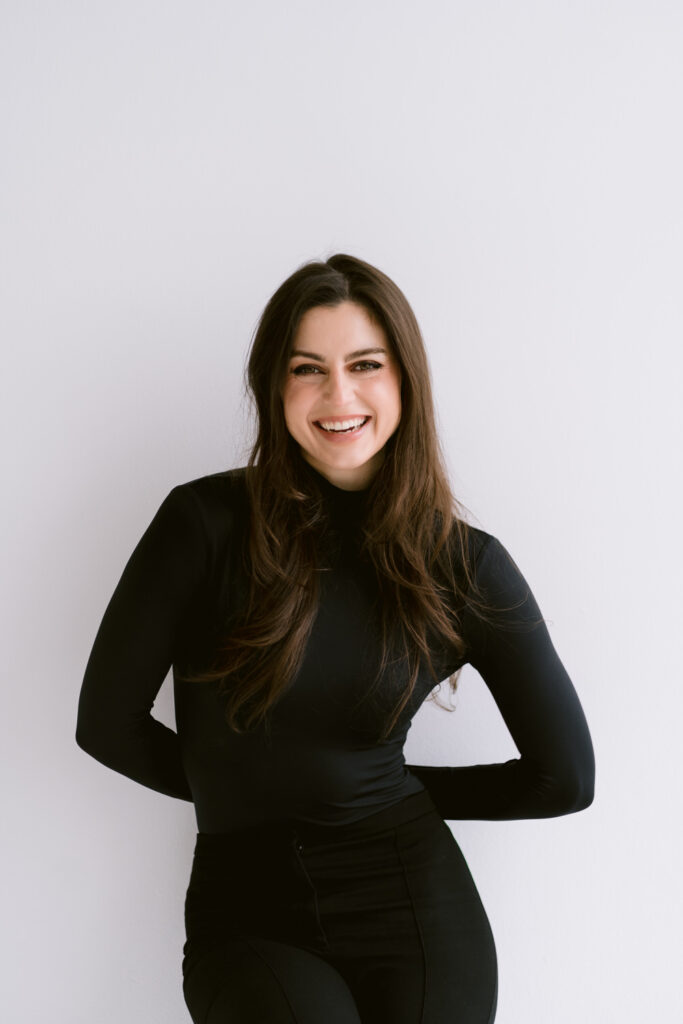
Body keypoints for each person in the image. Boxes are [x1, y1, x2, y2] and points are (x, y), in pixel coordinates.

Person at [76, 253, 595, 1024]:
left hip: (413, 905)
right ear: (273, 386)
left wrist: (376, 793)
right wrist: (261, 794)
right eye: (307, 369)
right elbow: (105, 726)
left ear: (404, 381)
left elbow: (564, 779)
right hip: (247, 911)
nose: (338, 395)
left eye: (364, 365)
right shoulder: (203, 526)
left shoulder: (465, 566)